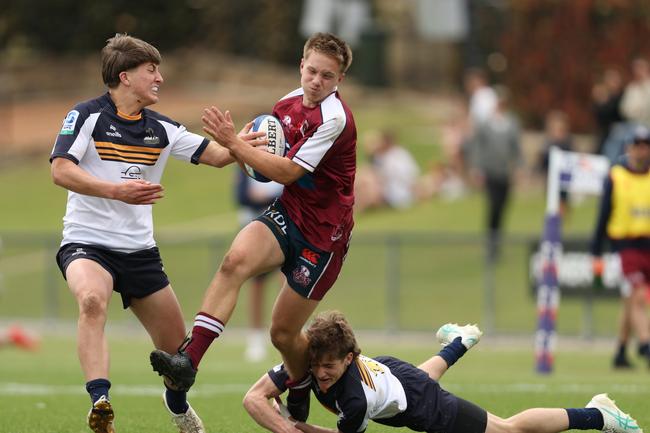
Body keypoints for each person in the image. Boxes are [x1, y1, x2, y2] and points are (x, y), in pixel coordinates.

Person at [49, 33, 265, 433]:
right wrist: (115, 190)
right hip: (86, 243)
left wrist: (238, 143)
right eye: (152, 70)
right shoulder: (86, 116)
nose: (160, 78)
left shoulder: (162, 129)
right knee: (92, 301)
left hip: (139, 253)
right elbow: (60, 169)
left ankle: (177, 404)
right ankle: (100, 401)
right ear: (125, 76)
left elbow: (217, 157)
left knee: (179, 360)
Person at [150, 32, 357, 423]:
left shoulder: (335, 120)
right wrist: (245, 149)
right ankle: (187, 362)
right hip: (289, 214)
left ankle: (297, 387)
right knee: (234, 262)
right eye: (311, 71)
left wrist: (232, 142)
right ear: (301, 65)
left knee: (282, 335)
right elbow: (260, 165)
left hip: (324, 237)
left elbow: (288, 171)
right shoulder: (285, 104)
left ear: (339, 80)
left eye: (327, 76)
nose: (316, 81)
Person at [244, 310, 642, 433]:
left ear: (348, 358)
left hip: (416, 404)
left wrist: (294, 427)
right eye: (316, 365)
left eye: (329, 366)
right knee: (418, 376)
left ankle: (600, 415)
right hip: (393, 374)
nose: (320, 373)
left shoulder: (353, 397)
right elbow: (258, 393)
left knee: (508, 430)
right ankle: (463, 339)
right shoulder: (314, 359)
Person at [590, 125, 650, 370]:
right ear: (628, 147)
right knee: (637, 295)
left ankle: (620, 352)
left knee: (629, 300)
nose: (640, 150)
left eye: (645, 145)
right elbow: (603, 214)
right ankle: (646, 345)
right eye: (636, 145)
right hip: (625, 247)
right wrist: (596, 250)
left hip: (648, 245)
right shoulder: (616, 176)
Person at [234, 169, 284, 362]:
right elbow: (242, 196)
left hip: (285, 226)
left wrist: (266, 197)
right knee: (256, 284)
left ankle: (292, 332)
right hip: (255, 227)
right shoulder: (246, 164)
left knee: (288, 279)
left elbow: (292, 193)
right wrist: (272, 199)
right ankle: (255, 339)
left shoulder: (286, 158)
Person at [466, 86, 522, 261]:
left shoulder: (512, 122)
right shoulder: (486, 123)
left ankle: (497, 242)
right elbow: (477, 147)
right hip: (490, 171)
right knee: (493, 206)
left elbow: (516, 148)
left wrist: (519, 167)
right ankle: (491, 245)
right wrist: (477, 168)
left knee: (503, 207)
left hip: (505, 172)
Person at [354, 129, 420, 213]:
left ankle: (354, 210)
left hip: (396, 193)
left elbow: (407, 177)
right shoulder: (382, 156)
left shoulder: (396, 155)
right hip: (389, 190)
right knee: (363, 177)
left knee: (367, 180)